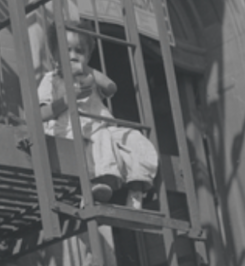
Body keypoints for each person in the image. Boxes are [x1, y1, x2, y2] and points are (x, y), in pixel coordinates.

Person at [37, 22, 159, 209]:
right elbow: (41, 113)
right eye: (66, 50)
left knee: (136, 140)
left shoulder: (91, 78)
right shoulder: (52, 79)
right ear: (55, 55)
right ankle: (101, 182)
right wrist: (69, 98)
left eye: (79, 51)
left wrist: (86, 70)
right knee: (100, 139)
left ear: (88, 56)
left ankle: (137, 188)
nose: (73, 56)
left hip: (102, 127)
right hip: (70, 128)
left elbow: (111, 87)